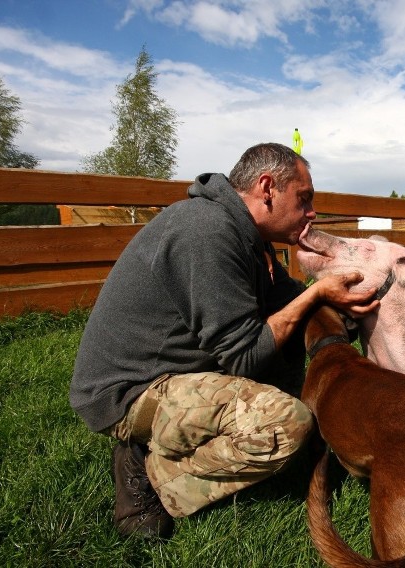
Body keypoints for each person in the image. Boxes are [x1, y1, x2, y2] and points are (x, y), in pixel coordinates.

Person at [69, 142, 378, 539]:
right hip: (130, 391)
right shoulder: (207, 233)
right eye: (304, 200)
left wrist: (343, 304)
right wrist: (316, 295)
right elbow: (247, 357)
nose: (311, 213)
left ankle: (173, 444)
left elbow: (288, 301)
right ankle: (152, 472)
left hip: (182, 366)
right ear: (267, 188)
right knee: (285, 423)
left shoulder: (247, 236)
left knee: (298, 377)